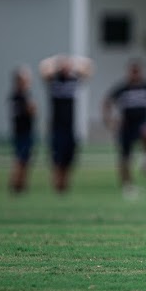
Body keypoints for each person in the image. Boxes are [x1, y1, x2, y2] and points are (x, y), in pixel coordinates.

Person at [102, 59, 146, 196]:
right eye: (132, 72)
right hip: (127, 125)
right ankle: (127, 186)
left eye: (137, 72)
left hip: (144, 122)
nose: (135, 75)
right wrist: (109, 121)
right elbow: (107, 102)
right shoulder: (122, 89)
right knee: (125, 157)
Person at [39, 54, 94, 193]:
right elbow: (43, 68)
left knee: (69, 158)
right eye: (63, 65)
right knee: (56, 158)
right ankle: (56, 185)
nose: (66, 67)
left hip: (70, 126)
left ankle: (65, 186)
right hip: (56, 126)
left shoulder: (73, 80)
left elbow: (89, 67)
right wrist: (56, 60)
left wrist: (74, 62)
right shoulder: (54, 80)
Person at [8, 66, 37, 194]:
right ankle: (16, 185)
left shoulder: (15, 96)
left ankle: (20, 185)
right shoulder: (21, 96)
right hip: (23, 132)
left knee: (24, 159)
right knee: (21, 159)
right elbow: (31, 111)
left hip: (22, 131)